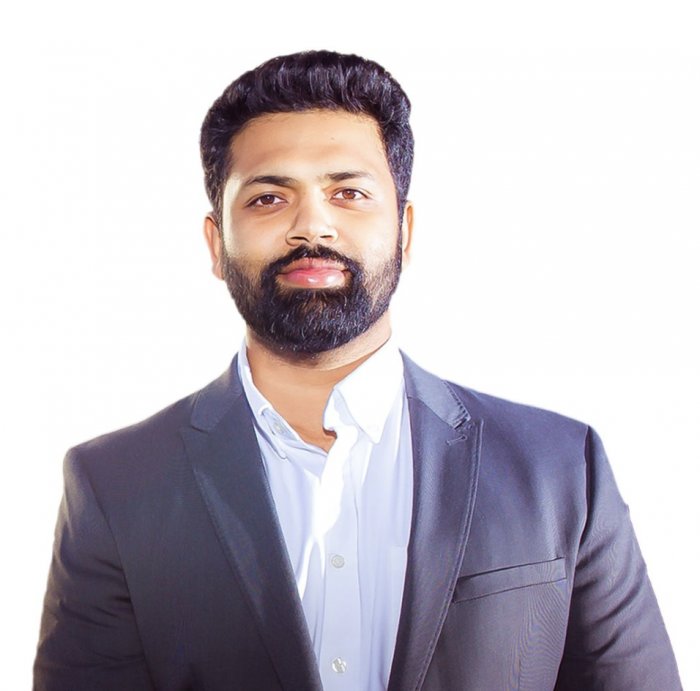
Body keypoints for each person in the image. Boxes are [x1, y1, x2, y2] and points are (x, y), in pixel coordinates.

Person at [34, 50, 681, 691]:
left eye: (348, 193)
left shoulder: (560, 468)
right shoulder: (117, 485)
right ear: (215, 243)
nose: (312, 226)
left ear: (405, 230)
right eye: (268, 197)